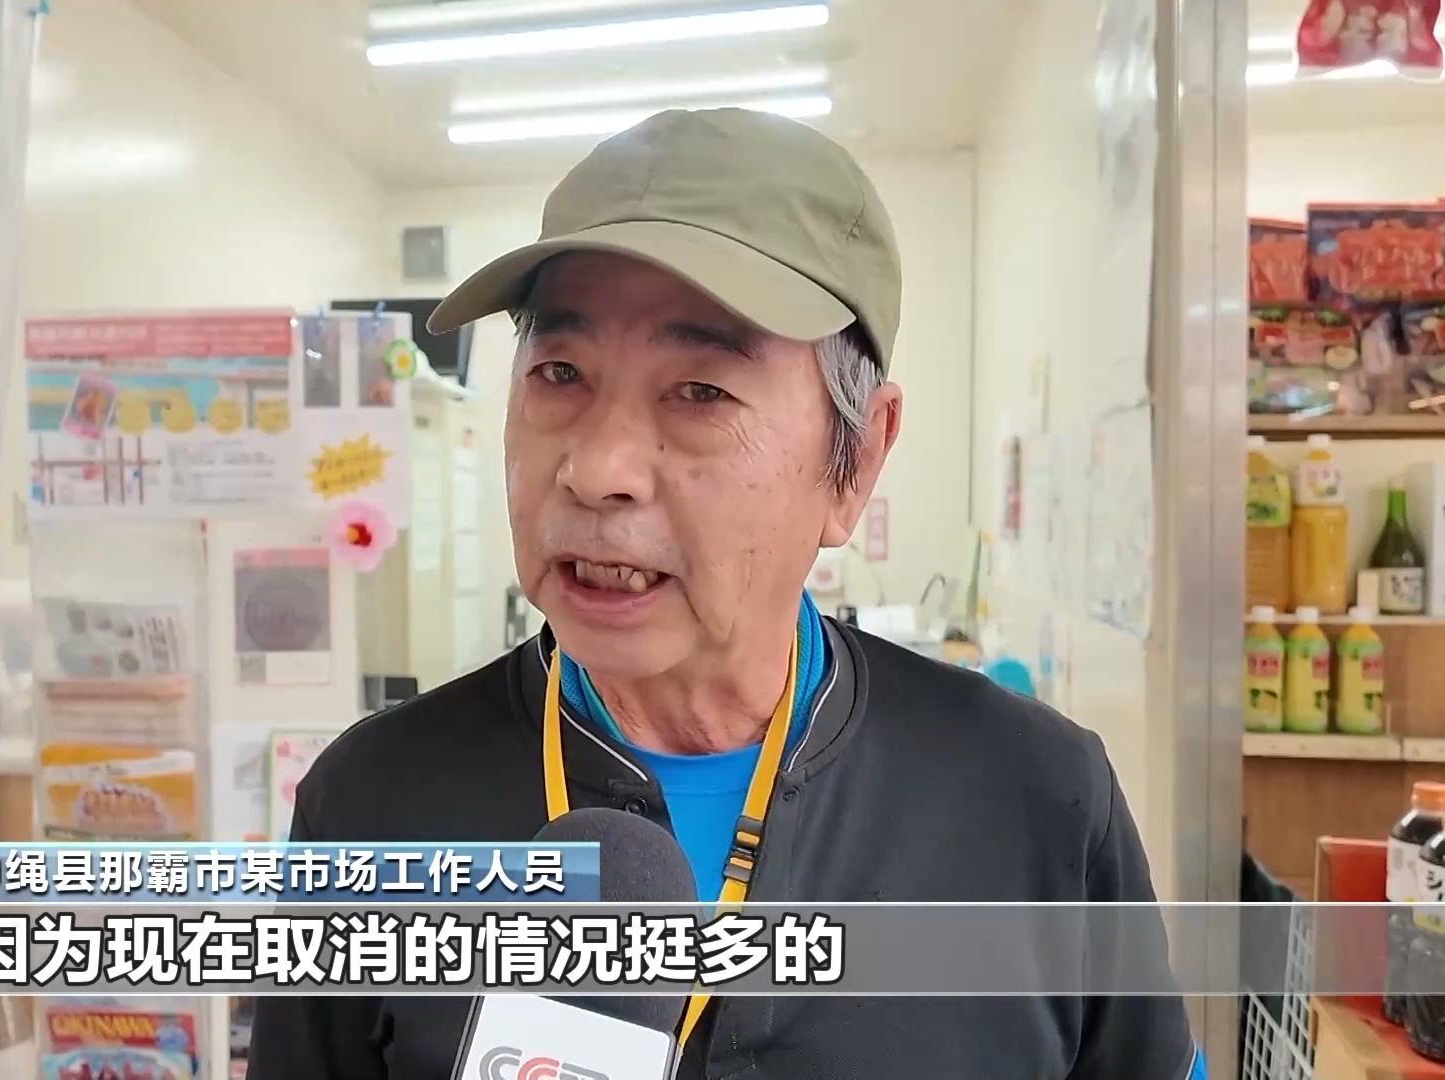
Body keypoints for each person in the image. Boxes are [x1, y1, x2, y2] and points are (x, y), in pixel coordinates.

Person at [245, 108, 1198, 1079]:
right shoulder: (369, 806)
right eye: (561, 373)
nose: (597, 470)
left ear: (857, 459)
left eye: (700, 391)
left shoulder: (1035, 798)